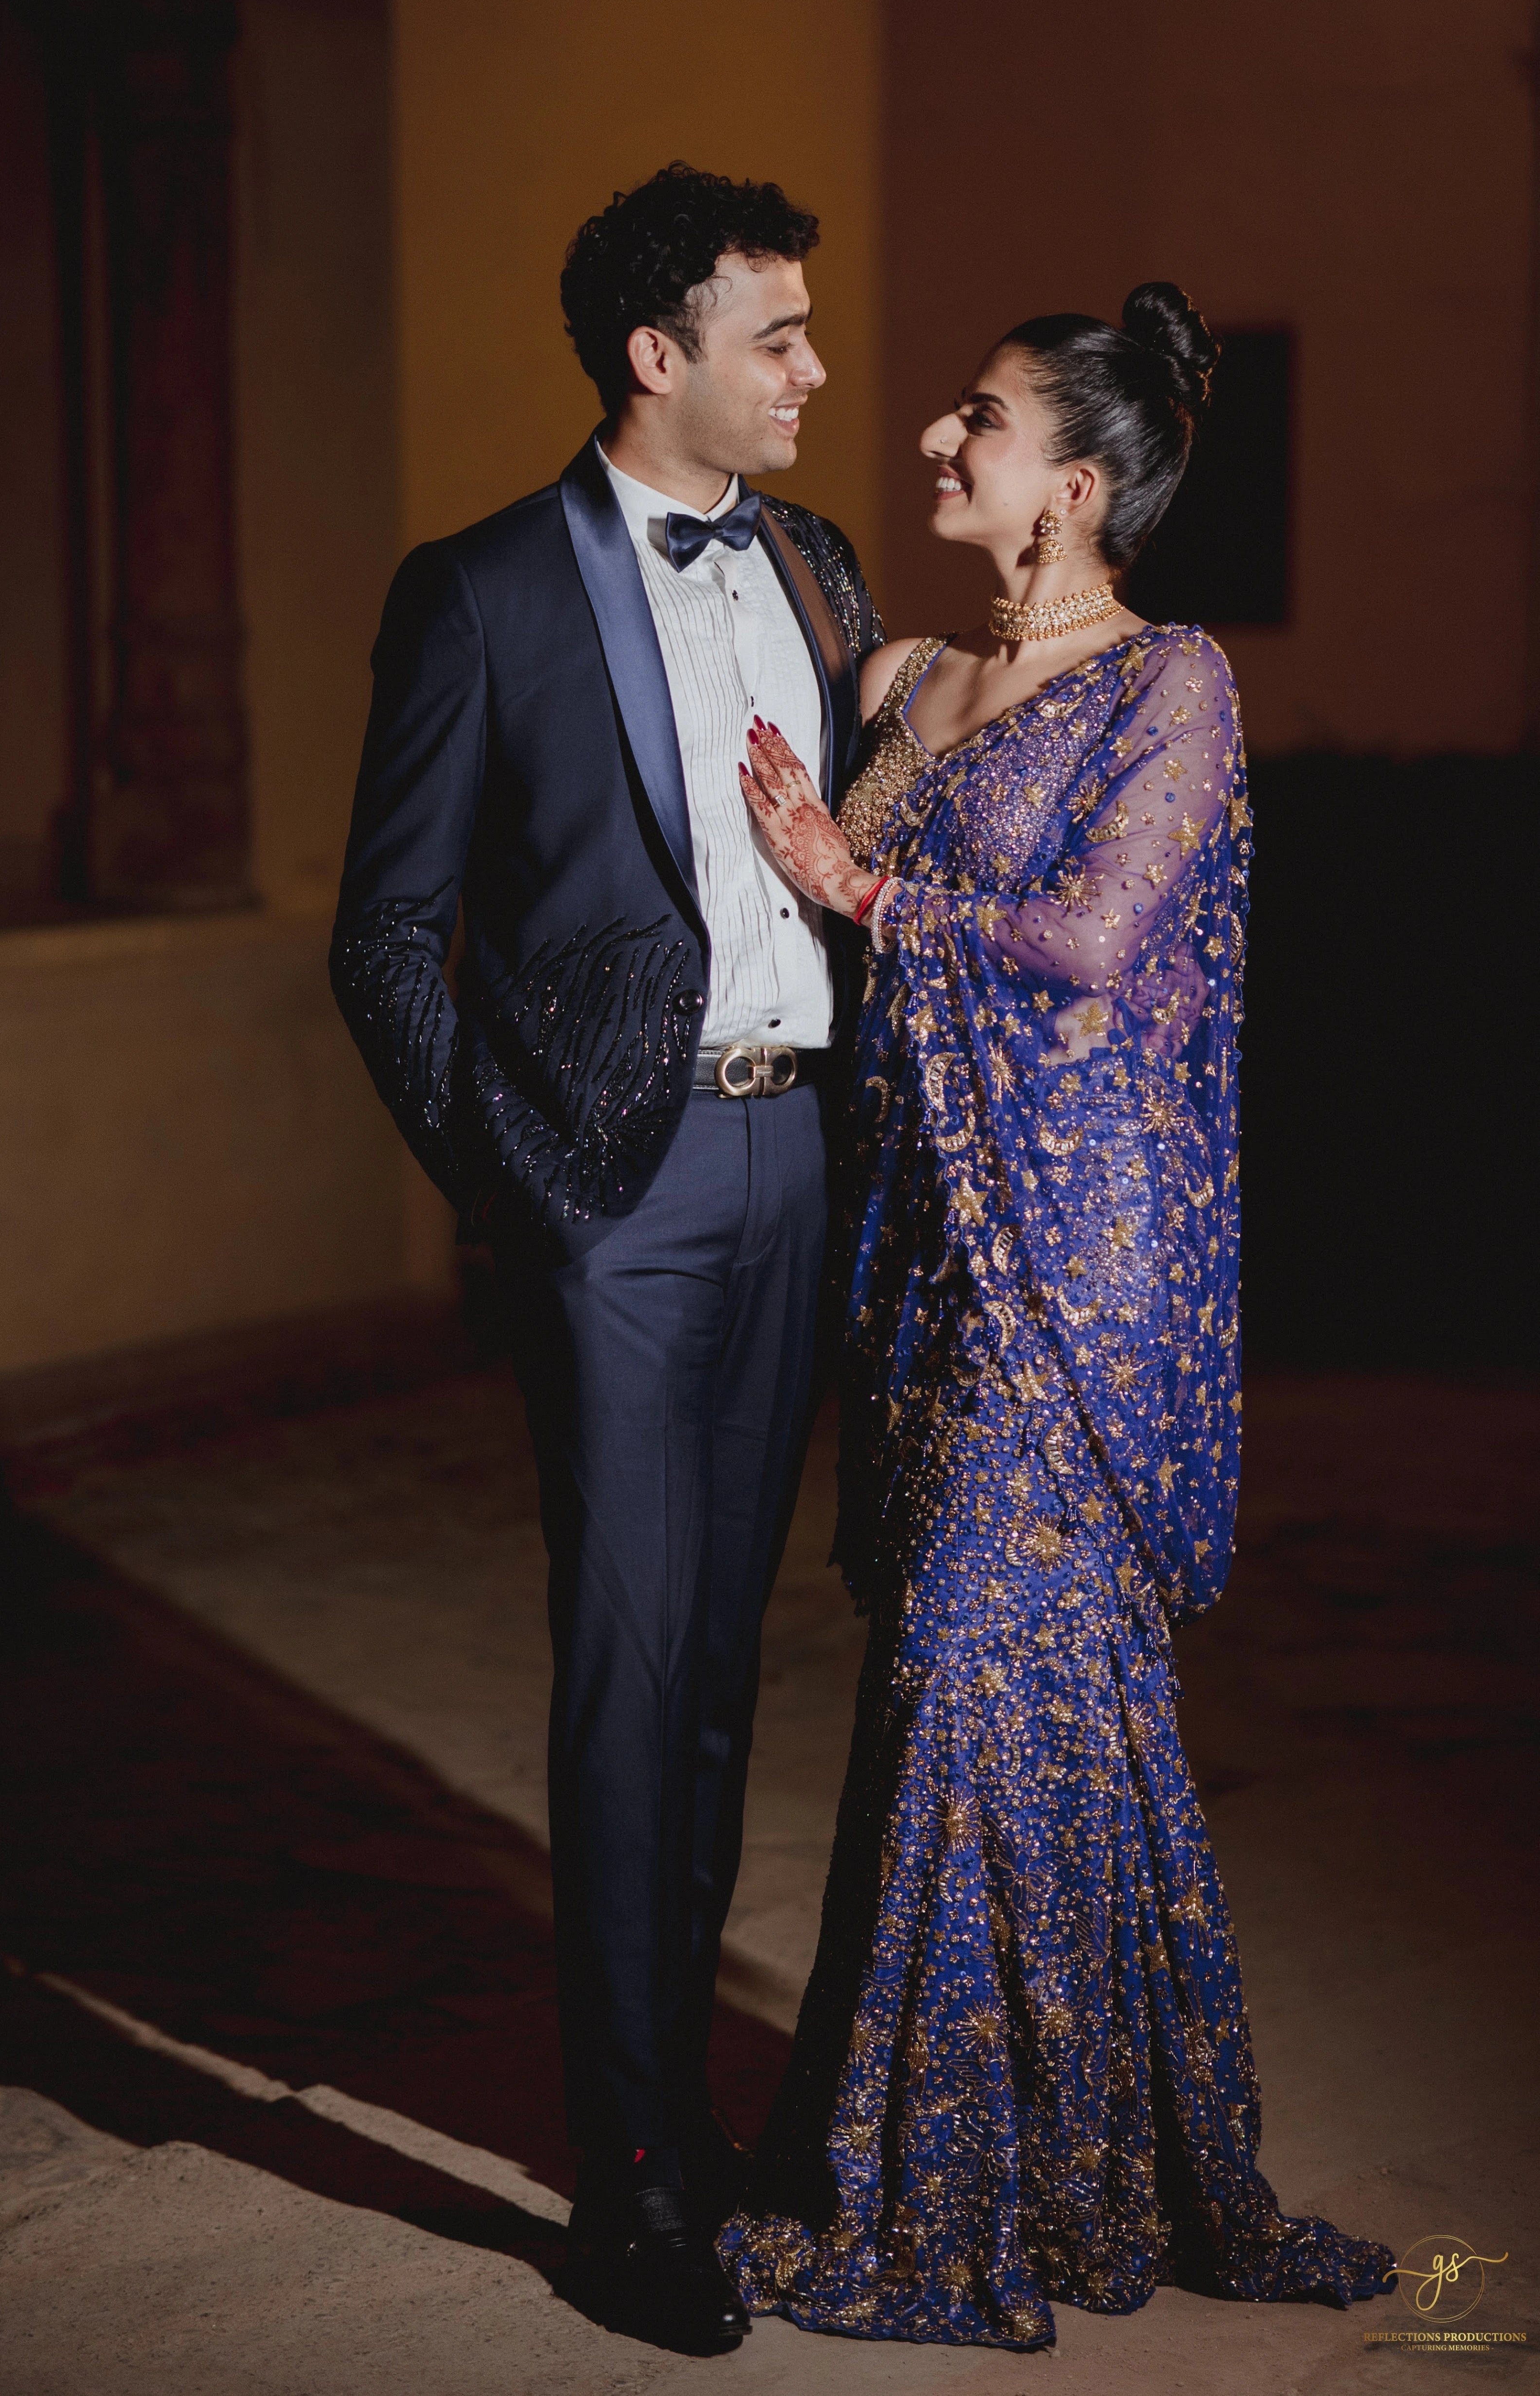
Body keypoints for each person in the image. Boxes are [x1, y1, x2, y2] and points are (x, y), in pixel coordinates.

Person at [717, 286, 1397, 2348]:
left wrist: (861, 889)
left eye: (980, 420)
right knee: (1022, 1697)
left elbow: (1096, 941)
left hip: (1083, 1260)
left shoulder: (1169, 684)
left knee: (964, 1663)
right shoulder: (914, 674)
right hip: (924, 1244)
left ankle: (956, 2184)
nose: (936, 437)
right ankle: (1095, 2149)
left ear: (1076, 487)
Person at [329, 162, 883, 2354]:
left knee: (729, 1670)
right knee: (628, 1671)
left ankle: (696, 2116)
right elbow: (386, 941)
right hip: (618, 1202)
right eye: (779, 333)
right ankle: (631, 2177)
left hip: (796, 1173)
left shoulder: (824, 567)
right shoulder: (477, 592)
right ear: (658, 356)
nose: (816, 367)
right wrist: (527, 1189)